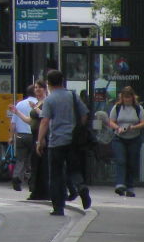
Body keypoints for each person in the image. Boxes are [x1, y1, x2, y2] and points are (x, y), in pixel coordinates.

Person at [37, 69, 91, 216]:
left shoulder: (49, 99)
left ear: (48, 83)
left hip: (56, 142)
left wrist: (39, 140)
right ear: (62, 81)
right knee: (74, 168)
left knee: (56, 175)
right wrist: (77, 129)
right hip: (72, 140)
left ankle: (58, 207)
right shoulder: (72, 96)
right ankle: (81, 186)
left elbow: (45, 121)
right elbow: (85, 114)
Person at [107, 86, 144, 197]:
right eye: (125, 97)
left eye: (129, 97)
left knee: (131, 162)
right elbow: (111, 121)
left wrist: (134, 127)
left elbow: (143, 122)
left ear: (133, 97)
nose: (127, 100)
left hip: (134, 138)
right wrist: (118, 128)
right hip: (119, 138)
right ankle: (120, 184)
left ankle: (130, 186)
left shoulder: (138, 108)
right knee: (121, 160)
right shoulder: (117, 107)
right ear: (122, 98)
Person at [8, 83, 39, 192]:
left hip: (20, 135)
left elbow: (13, 123)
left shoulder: (19, 104)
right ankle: (31, 181)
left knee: (20, 159)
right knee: (32, 160)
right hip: (33, 135)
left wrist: (11, 137)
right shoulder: (38, 104)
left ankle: (17, 177)